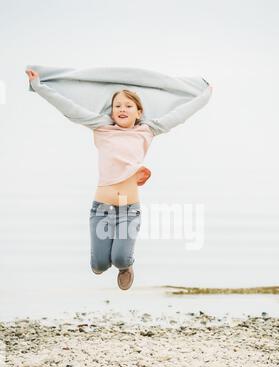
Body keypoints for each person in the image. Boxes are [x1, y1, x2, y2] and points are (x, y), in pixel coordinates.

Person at [25, 68, 212, 290]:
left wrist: (204, 96)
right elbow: (69, 107)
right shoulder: (101, 127)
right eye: (117, 106)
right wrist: (39, 86)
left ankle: (127, 266)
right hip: (101, 208)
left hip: (128, 208)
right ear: (111, 111)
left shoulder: (148, 130)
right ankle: (104, 262)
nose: (122, 109)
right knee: (99, 265)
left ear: (139, 112)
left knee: (120, 259)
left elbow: (180, 115)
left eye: (128, 106)